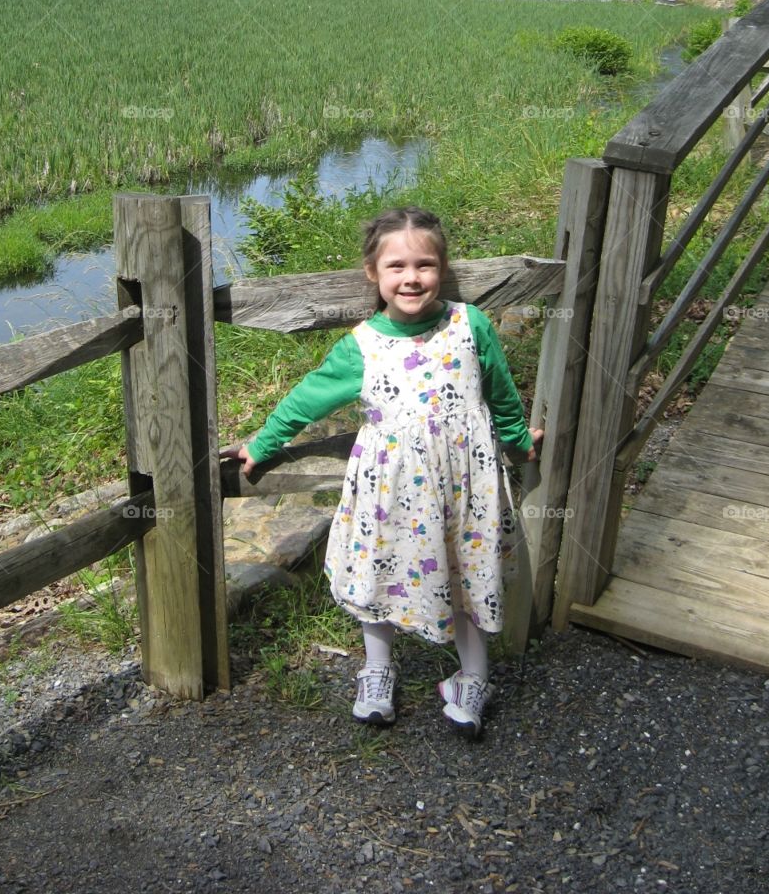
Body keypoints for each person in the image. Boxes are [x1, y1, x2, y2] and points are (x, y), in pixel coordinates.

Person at [220, 206, 543, 737]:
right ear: (373, 273)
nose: (411, 278)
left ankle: (474, 678)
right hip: (388, 491)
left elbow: (501, 393)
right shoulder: (362, 346)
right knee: (378, 570)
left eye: (424, 265)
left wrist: (515, 441)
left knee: (466, 571)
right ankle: (376, 670)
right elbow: (308, 398)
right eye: (396, 266)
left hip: (466, 491)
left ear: (442, 267)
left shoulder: (470, 325)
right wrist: (264, 441)